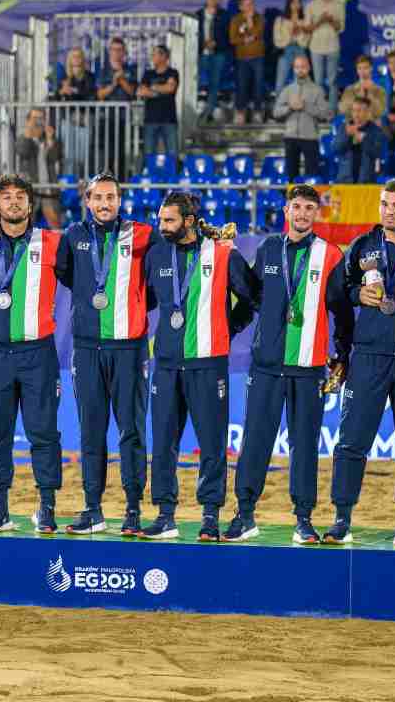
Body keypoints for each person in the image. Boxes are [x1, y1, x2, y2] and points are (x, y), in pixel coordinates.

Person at [223, 184, 353, 544]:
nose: (302, 213)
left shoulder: (330, 256)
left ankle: (303, 519)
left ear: (317, 214)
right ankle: (244, 514)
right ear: (286, 210)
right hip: (266, 367)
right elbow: (249, 300)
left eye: (309, 208)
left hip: (308, 369)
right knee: (255, 442)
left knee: (305, 445)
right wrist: (227, 334)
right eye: (296, 206)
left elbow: (342, 312)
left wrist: (342, 356)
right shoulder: (267, 248)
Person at [325, 179, 395, 547]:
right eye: (385, 204)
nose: (390, 211)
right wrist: (357, 295)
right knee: (351, 441)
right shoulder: (361, 246)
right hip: (368, 357)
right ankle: (342, 518)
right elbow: (337, 297)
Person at [142, 192, 257, 542]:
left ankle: (210, 516)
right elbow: (146, 298)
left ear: (189, 222)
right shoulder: (157, 253)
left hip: (208, 363)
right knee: (163, 441)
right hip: (165, 363)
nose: (161, 226)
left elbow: (252, 299)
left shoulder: (223, 253)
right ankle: (165, 515)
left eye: (169, 221)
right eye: (161, 219)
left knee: (211, 443)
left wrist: (227, 327)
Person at [59, 174, 161, 535]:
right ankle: (93, 508)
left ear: (121, 200)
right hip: (87, 349)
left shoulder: (144, 235)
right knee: (91, 432)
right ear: (87, 200)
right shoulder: (72, 237)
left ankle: (133, 509)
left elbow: (158, 280)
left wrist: (133, 306)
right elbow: (69, 277)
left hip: (129, 349)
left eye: (111, 198)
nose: (105, 204)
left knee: (131, 431)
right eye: (98, 198)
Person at [0, 176, 67, 532]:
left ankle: (47, 507)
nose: (13, 203)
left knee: (44, 433)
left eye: (20, 197)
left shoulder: (53, 243)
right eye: (6, 198)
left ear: (30, 205)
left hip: (37, 354)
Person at [272, 54, 330, 179]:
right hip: (290, 137)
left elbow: (325, 114)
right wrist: (290, 108)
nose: (300, 70)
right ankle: (293, 199)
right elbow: (276, 112)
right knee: (291, 177)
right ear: (293, 69)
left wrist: (305, 106)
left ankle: (310, 199)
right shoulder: (287, 90)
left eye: (303, 67)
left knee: (311, 176)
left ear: (309, 68)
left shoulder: (317, 90)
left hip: (310, 138)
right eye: (297, 67)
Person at [13, 108, 63, 228]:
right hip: (30, 190)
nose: (38, 122)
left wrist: (50, 140)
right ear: (28, 121)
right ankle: (25, 247)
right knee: (25, 226)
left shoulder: (51, 139)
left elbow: (55, 157)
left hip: (48, 189)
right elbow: (23, 151)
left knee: (55, 225)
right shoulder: (22, 139)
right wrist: (29, 133)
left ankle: (59, 247)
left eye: (41, 119)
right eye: (35, 119)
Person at [95, 37, 137, 174]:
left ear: (124, 52)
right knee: (106, 152)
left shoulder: (130, 70)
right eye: (114, 50)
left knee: (121, 151)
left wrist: (122, 80)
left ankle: (121, 181)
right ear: (109, 52)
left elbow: (132, 92)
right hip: (106, 118)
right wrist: (113, 83)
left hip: (124, 118)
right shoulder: (103, 71)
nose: (117, 53)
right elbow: (100, 94)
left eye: (120, 50)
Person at [307, 0, 346, 112]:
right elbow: (308, 28)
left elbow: (340, 28)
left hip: (333, 47)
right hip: (316, 48)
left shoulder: (338, 5)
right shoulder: (312, 5)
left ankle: (331, 110)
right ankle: (319, 109)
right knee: (318, 81)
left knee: (332, 81)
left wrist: (330, 21)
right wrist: (320, 20)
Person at [56, 46, 96, 177]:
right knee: (68, 156)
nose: (76, 59)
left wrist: (74, 91)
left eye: (79, 56)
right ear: (69, 60)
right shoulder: (63, 76)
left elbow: (91, 95)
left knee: (82, 156)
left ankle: (82, 183)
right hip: (67, 119)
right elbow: (56, 97)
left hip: (84, 120)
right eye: (73, 56)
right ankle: (69, 184)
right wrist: (62, 91)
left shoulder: (89, 76)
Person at [196, 0, 231, 123]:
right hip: (202, 53)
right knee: (199, 81)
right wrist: (202, 43)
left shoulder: (225, 15)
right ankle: (198, 108)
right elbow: (193, 32)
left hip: (218, 54)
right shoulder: (198, 15)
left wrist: (216, 43)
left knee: (215, 84)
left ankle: (208, 113)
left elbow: (228, 37)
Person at [138, 44, 180, 155]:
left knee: (172, 154)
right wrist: (162, 90)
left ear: (163, 56)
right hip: (151, 120)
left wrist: (153, 88)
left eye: (154, 54)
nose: (152, 57)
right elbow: (141, 91)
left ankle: (172, 172)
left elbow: (170, 88)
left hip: (169, 120)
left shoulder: (173, 72)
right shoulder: (148, 74)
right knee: (149, 154)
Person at [229, 0, 265, 124]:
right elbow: (233, 39)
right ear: (240, 7)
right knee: (241, 85)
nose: (250, 7)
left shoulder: (259, 18)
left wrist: (250, 21)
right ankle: (240, 112)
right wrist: (245, 39)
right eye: (247, 4)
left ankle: (257, 111)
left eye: (252, 4)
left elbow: (257, 33)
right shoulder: (235, 20)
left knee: (258, 85)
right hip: (242, 58)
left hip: (258, 57)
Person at [333, 98, 386, 183]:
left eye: (359, 110)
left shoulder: (376, 131)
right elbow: (336, 149)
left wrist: (363, 139)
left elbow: (377, 153)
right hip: (345, 180)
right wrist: (347, 136)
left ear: (367, 112)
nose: (356, 114)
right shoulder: (344, 128)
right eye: (354, 110)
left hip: (366, 181)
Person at [273, 0, 311, 92]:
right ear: (289, 4)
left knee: (301, 83)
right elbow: (277, 41)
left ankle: (301, 106)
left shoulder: (305, 20)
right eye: (293, 2)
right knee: (280, 83)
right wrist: (290, 36)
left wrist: (298, 34)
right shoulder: (280, 20)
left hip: (300, 50)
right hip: (286, 50)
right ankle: (280, 106)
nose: (296, 4)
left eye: (298, 2)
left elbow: (306, 43)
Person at [338, 54, 386, 123]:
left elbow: (380, 112)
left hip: (372, 126)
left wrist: (371, 95)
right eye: (359, 68)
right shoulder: (350, 89)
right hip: (354, 125)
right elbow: (343, 110)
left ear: (371, 68)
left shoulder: (379, 90)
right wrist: (356, 98)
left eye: (365, 68)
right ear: (357, 70)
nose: (362, 71)